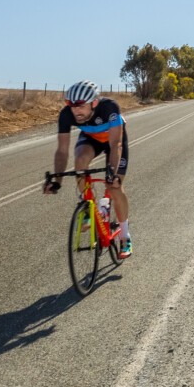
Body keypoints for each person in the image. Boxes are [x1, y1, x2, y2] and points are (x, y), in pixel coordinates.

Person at [42, 81, 132, 258]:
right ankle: (88, 206)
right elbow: (62, 150)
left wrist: (113, 173)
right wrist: (57, 181)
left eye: (81, 106)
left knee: (114, 186)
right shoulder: (67, 115)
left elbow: (115, 145)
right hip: (91, 139)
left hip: (114, 141)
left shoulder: (109, 108)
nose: (76, 111)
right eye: (72, 106)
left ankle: (124, 235)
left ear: (94, 103)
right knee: (80, 162)